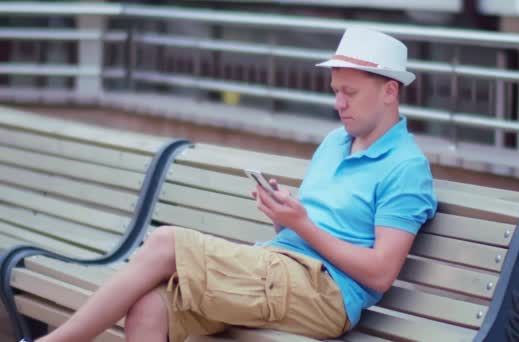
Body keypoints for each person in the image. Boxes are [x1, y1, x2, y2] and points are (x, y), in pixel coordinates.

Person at [35, 27, 437, 342]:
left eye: (350, 92)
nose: (338, 104)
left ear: (389, 91)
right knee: (149, 308)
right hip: (280, 267)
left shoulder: (406, 167)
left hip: (325, 293)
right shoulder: (335, 142)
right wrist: (284, 216)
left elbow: (381, 273)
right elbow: (304, 233)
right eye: (335, 92)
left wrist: (301, 225)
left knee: (164, 242)